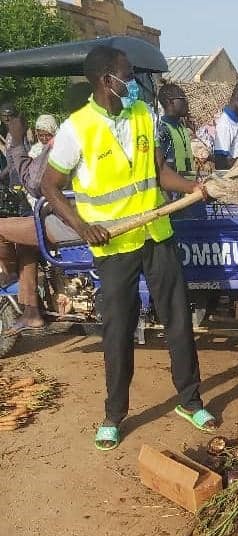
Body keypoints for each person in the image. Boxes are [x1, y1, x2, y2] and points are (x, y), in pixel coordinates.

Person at [41, 45, 217, 451]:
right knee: (117, 331)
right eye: (127, 74)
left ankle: (190, 401)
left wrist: (192, 187)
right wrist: (82, 226)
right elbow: (49, 186)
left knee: (178, 321)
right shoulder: (76, 128)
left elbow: (159, 173)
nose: (134, 81)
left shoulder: (144, 114)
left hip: (156, 234)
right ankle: (113, 415)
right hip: (114, 245)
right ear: (107, 79)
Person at [157, 83, 194, 180]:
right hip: (173, 192)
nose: (187, 102)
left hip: (187, 189)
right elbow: (162, 169)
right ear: (170, 102)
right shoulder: (162, 130)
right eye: (183, 99)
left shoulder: (181, 126)